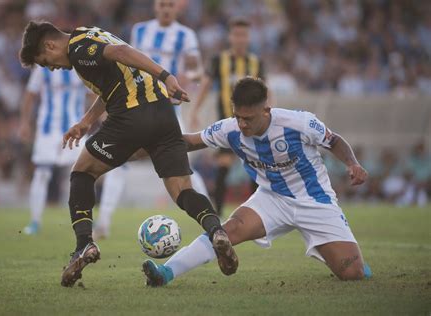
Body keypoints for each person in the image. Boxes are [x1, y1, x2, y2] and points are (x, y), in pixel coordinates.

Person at [19, 21, 236, 287]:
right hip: (163, 114)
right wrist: (87, 121)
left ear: (50, 45)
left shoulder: (78, 49)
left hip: (132, 117)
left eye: (45, 61)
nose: (51, 67)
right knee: (181, 190)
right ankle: (217, 232)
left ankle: (84, 244)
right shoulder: (88, 34)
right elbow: (113, 82)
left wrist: (166, 76)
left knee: (82, 173)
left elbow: (120, 53)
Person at [142, 77, 372, 287]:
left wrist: (352, 164)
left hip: (314, 200)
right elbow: (191, 142)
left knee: (353, 273)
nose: (242, 124)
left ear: (265, 110)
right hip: (272, 198)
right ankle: (164, 273)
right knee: (225, 233)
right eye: (238, 117)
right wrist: (149, 143)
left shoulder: (298, 122)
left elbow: (334, 141)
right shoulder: (230, 128)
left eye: (248, 119)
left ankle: (334, 252)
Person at [92, 0, 210, 239]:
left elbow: (197, 71)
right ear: (155, 7)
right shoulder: (140, 30)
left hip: (168, 109)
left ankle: (211, 215)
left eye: (170, 4)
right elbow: (127, 64)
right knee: (118, 162)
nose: (166, 8)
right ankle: (103, 223)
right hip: (137, 104)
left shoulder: (185, 36)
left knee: (182, 163)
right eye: (162, 4)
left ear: (176, 8)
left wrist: (189, 76)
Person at [19, 66, 125, 235]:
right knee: (42, 173)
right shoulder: (42, 67)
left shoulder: (79, 68)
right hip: (48, 130)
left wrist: (107, 117)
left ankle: (84, 217)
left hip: (75, 129)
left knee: (85, 172)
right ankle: (35, 221)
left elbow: (94, 95)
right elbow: (30, 94)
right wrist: (24, 122)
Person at [190, 17, 264, 216]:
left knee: (254, 169)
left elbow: (265, 91)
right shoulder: (219, 60)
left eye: (244, 35)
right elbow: (205, 85)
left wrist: (268, 111)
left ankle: (256, 213)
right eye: (237, 34)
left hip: (253, 125)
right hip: (228, 124)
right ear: (230, 36)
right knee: (223, 167)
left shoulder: (255, 62)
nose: (240, 39)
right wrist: (195, 110)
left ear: (248, 37)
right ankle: (218, 214)